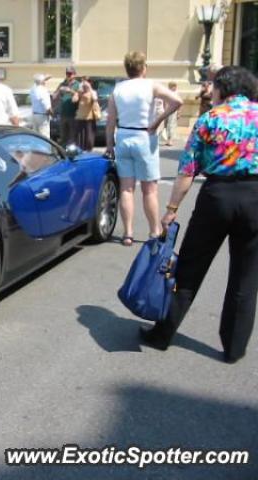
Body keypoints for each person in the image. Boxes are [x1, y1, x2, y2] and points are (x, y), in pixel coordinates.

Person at [140, 66, 258, 364]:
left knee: (190, 268)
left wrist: (171, 210)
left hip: (217, 196)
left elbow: (187, 170)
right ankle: (234, 348)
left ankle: (162, 334)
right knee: (246, 277)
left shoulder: (211, 118)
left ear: (222, 88)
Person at [105, 51, 182, 246]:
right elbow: (177, 102)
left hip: (123, 137)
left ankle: (128, 233)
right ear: (143, 68)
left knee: (126, 189)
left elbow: (110, 121)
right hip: (144, 137)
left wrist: (109, 145)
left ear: (127, 68)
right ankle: (154, 231)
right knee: (149, 190)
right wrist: (157, 121)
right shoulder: (151, 85)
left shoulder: (118, 89)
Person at [54, 66, 81, 145]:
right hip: (63, 114)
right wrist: (59, 91)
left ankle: (72, 152)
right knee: (63, 136)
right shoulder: (62, 84)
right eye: (67, 73)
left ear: (74, 74)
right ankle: (63, 151)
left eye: (70, 73)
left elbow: (80, 96)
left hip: (73, 114)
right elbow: (54, 96)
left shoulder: (78, 84)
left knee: (72, 136)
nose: (68, 75)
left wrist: (70, 91)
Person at [73, 78, 98, 151]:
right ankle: (80, 150)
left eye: (85, 85)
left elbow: (95, 99)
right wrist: (78, 93)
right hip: (80, 117)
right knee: (80, 137)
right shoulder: (80, 93)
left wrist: (89, 89)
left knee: (89, 137)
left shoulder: (93, 92)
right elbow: (74, 100)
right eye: (83, 85)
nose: (84, 86)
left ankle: (88, 150)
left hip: (89, 118)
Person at [30, 73, 53, 138]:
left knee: (36, 137)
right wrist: (52, 114)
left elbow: (37, 82)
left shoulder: (33, 89)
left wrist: (44, 78)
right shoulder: (43, 90)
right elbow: (47, 107)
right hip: (42, 116)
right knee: (44, 137)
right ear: (43, 81)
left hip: (35, 115)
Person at [161, 81, 180, 146]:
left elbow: (179, 103)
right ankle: (167, 139)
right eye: (173, 86)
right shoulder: (167, 93)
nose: (175, 88)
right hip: (167, 110)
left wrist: (179, 112)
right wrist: (164, 109)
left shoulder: (176, 93)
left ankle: (170, 140)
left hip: (173, 110)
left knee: (171, 125)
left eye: (175, 86)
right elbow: (164, 101)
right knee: (166, 125)